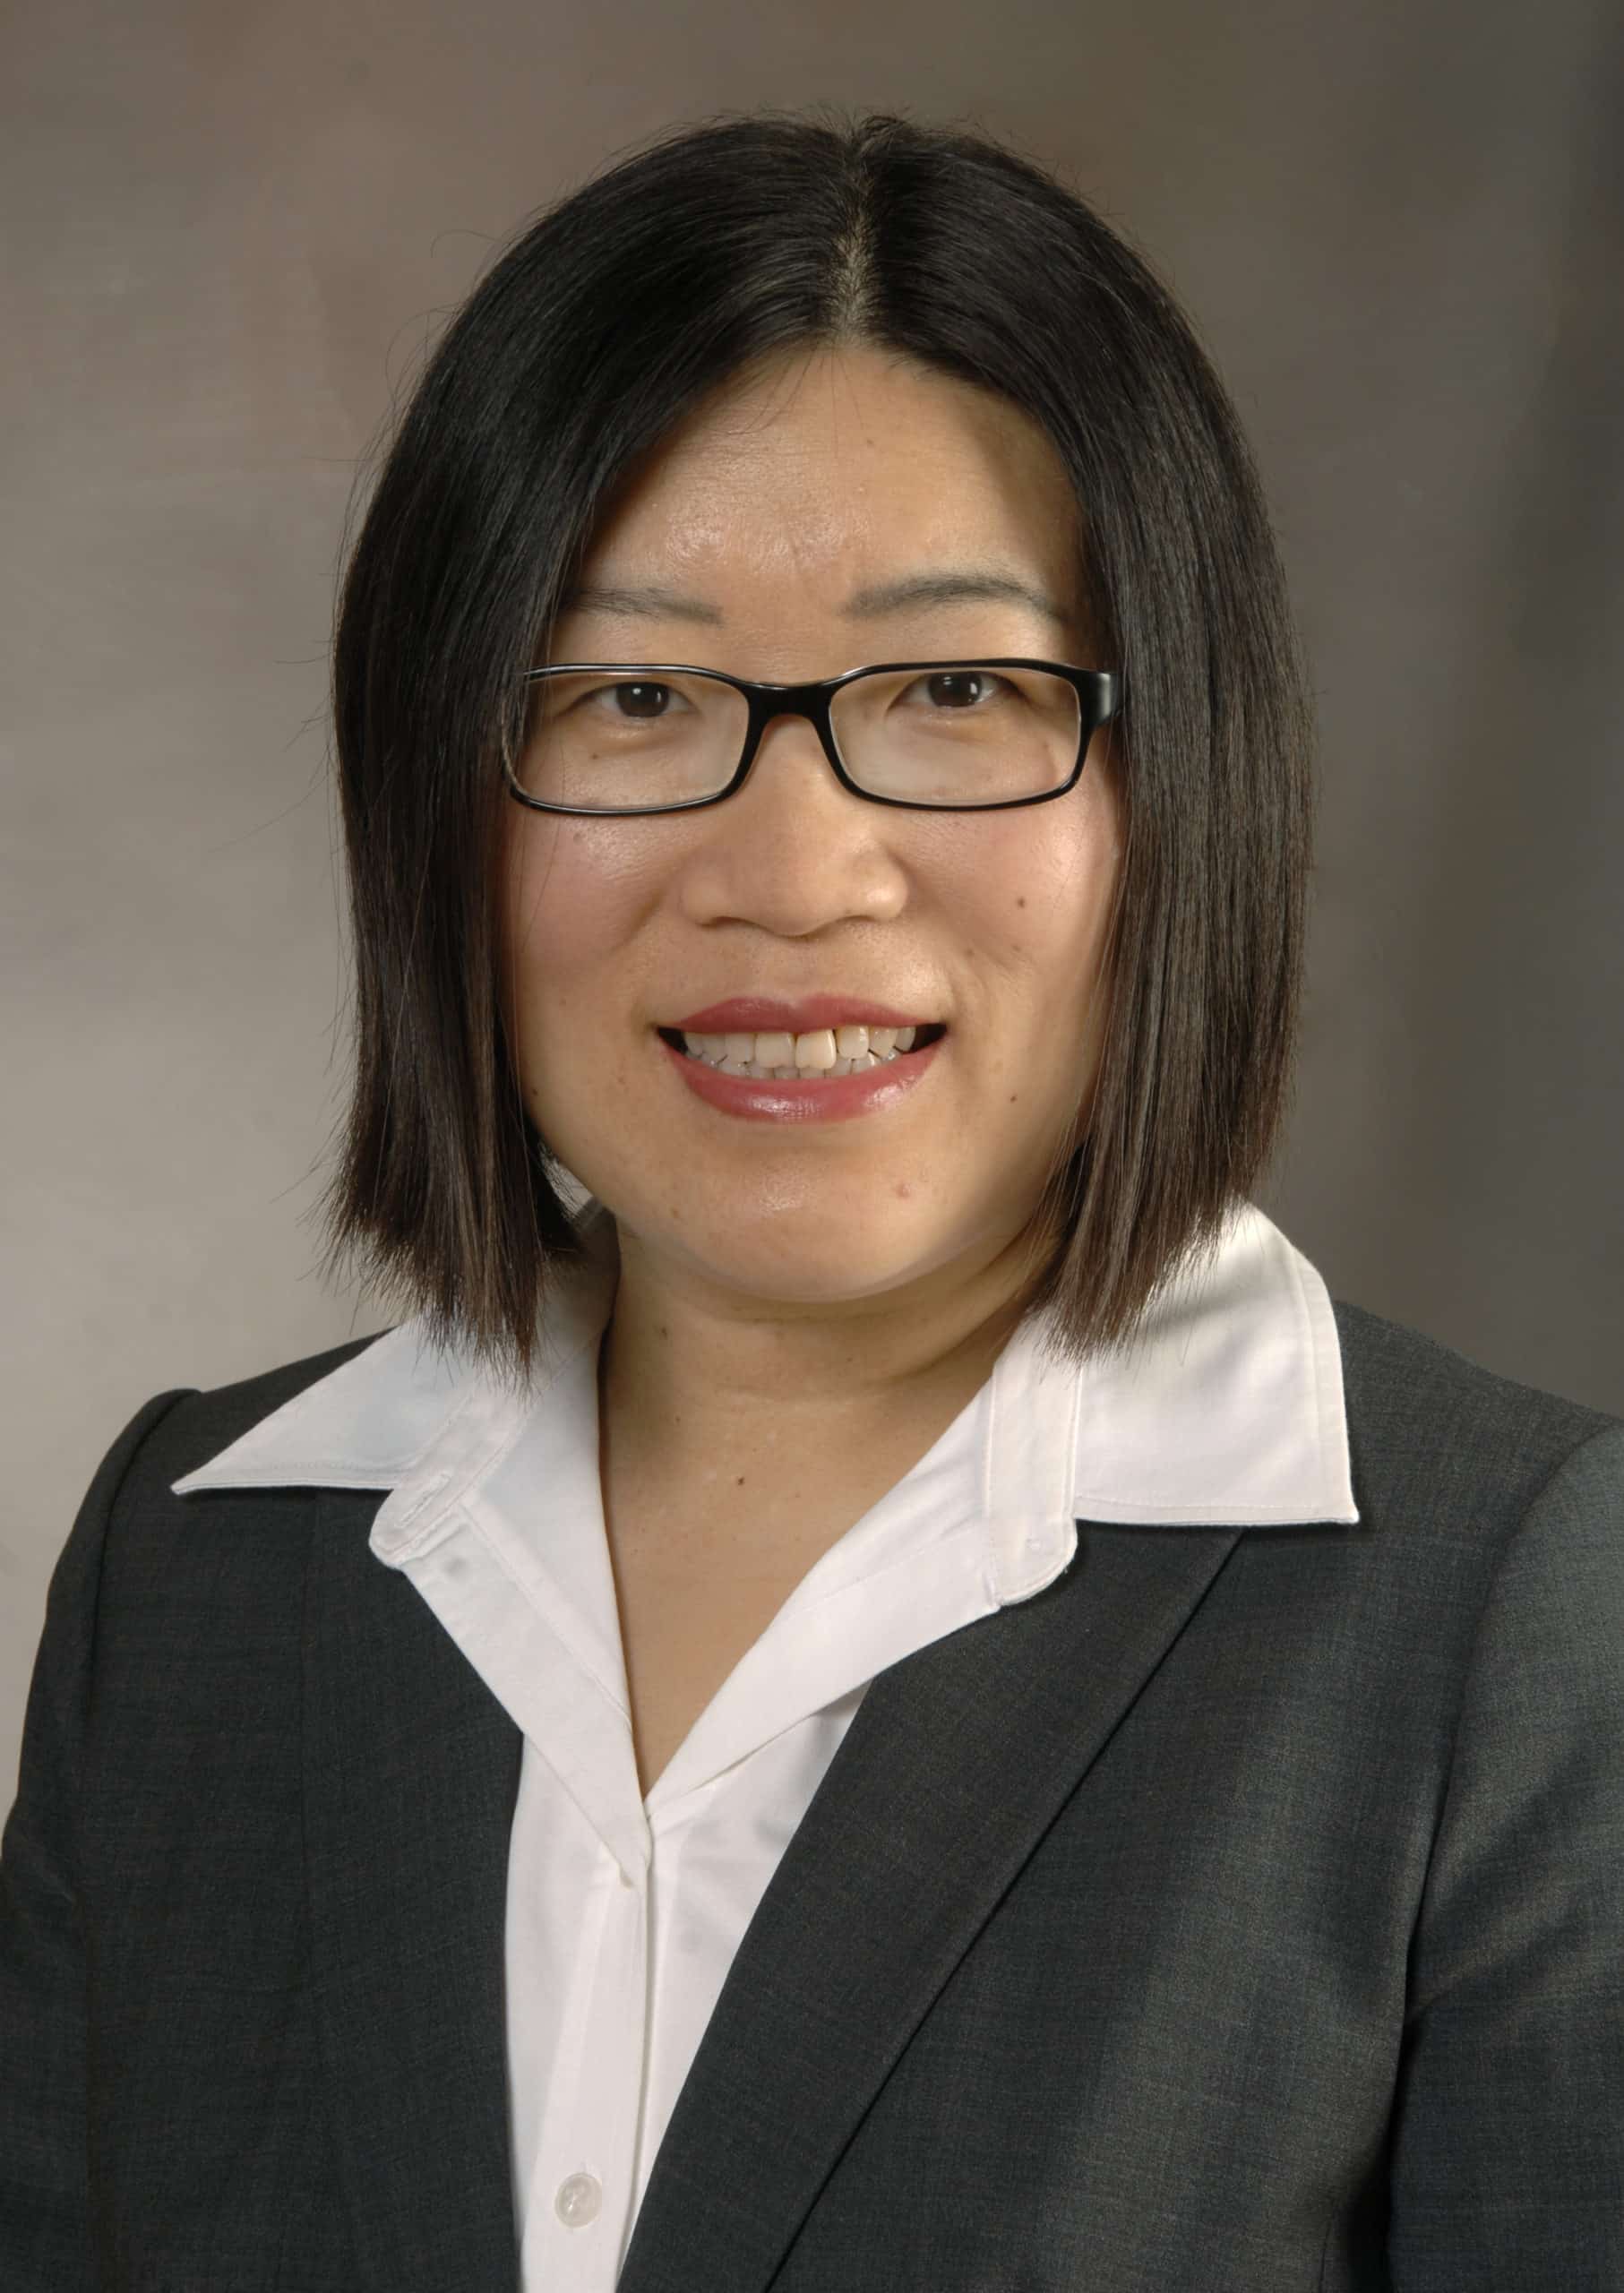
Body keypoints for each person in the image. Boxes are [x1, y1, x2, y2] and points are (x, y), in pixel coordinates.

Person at [3, 104, 1620, 2293]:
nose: (790, 872)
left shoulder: (1518, 1619)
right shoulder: (193, 1573)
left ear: (1183, 777)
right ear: (433, 796)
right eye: (632, 693)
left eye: (956, 689)